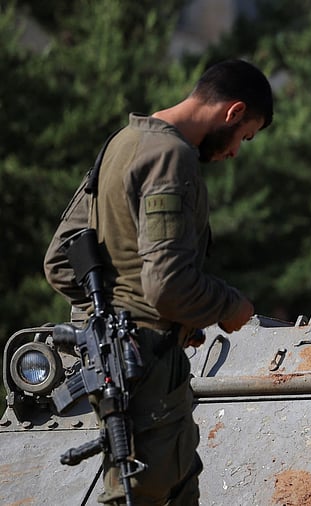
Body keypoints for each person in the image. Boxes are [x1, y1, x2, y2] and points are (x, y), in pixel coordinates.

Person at [43, 59, 274, 505]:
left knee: (171, 485)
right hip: (147, 363)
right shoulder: (172, 157)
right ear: (233, 111)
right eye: (244, 136)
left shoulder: (122, 143)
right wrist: (231, 306)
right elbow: (168, 285)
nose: (234, 152)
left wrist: (105, 318)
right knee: (145, 492)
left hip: (124, 361)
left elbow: (60, 261)